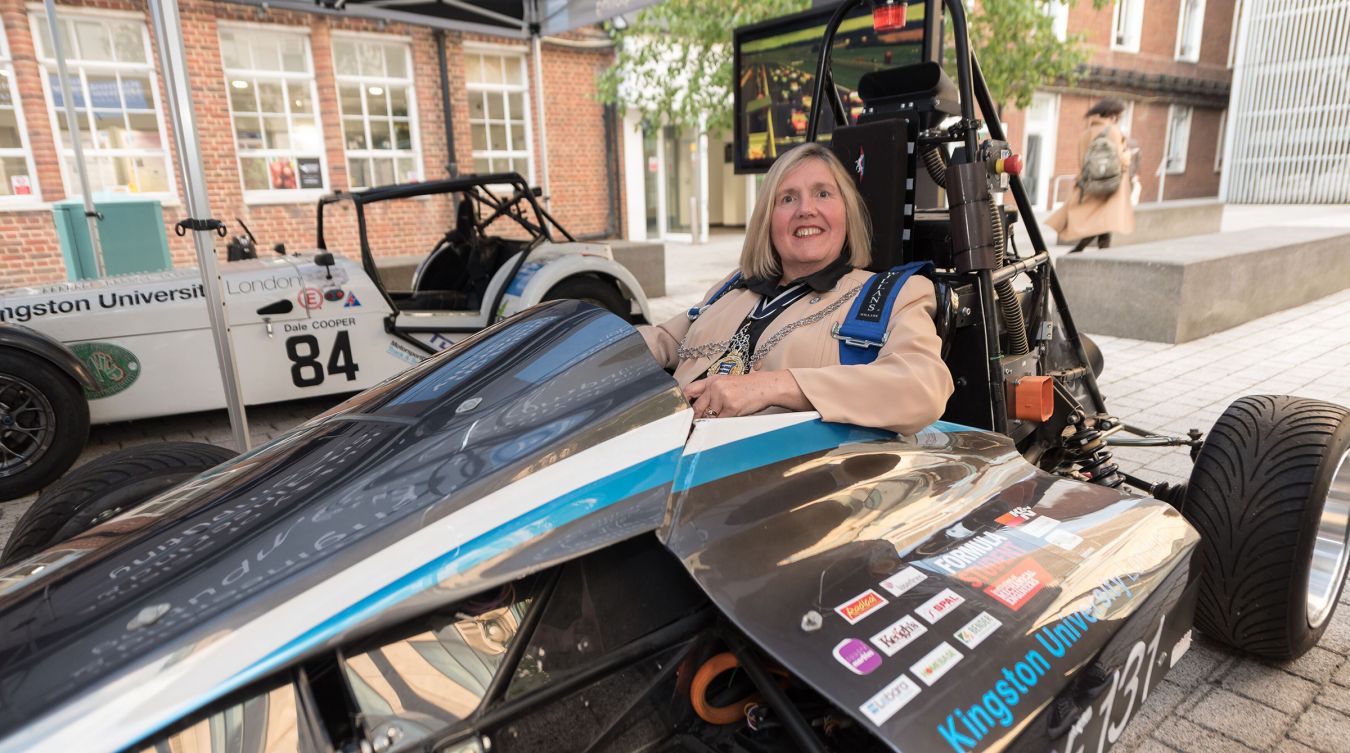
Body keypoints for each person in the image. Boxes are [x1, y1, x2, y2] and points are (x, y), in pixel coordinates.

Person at [638, 143, 953, 435]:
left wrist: (772, 386)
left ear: (847, 212)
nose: (806, 210)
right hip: (660, 449)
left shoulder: (890, 295)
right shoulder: (736, 286)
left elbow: (924, 386)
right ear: (768, 219)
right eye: (787, 198)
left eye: (823, 194)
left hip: (773, 477)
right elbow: (665, 339)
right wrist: (598, 345)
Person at [1046, 98, 1135, 252]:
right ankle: (1087, 251)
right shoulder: (1113, 131)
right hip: (1111, 183)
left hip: (1090, 183)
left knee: (1102, 220)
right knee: (1105, 219)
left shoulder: (1086, 133)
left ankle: (1092, 250)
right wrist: (1128, 154)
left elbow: (1082, 161)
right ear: (1113, 114)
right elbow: (1121, 160)